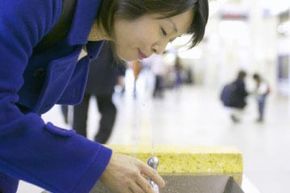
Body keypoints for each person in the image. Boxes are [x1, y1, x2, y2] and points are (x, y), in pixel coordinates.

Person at [0, 0, 209, 192]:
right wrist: (97, 163)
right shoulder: (36, 5)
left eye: (171, 40)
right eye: (163, 31)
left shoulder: (83, 39)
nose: (160, 49)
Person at [61, 42, 126, 143]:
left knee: (81, 110)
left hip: (85, 74)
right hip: (102, 75)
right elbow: (118, 50)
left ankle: (80, 142)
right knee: (106, 109)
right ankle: (97, 140)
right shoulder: (108, 29)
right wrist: (121, 72)